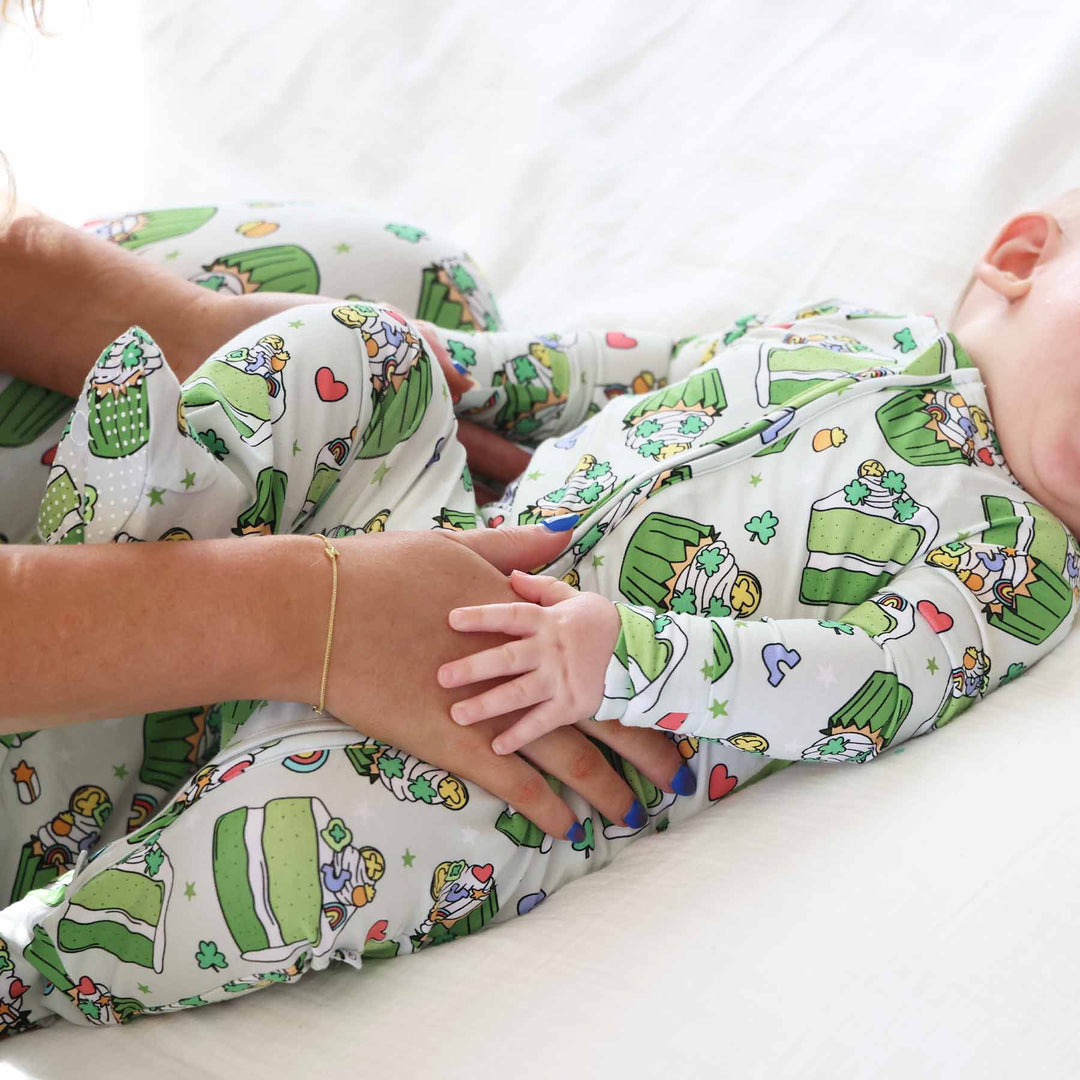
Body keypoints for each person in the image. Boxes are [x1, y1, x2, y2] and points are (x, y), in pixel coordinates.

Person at [3, 187, 1079, 1037]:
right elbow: (627, 372)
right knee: (341, 351)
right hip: (442, 533)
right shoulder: (855, 327)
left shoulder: (1026, 558)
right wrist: (456, 371)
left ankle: (46, 967)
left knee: (310, 843)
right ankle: (127, 537)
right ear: (1025, 258)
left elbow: (873, 679)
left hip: (537, 749)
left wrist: (626, 659)